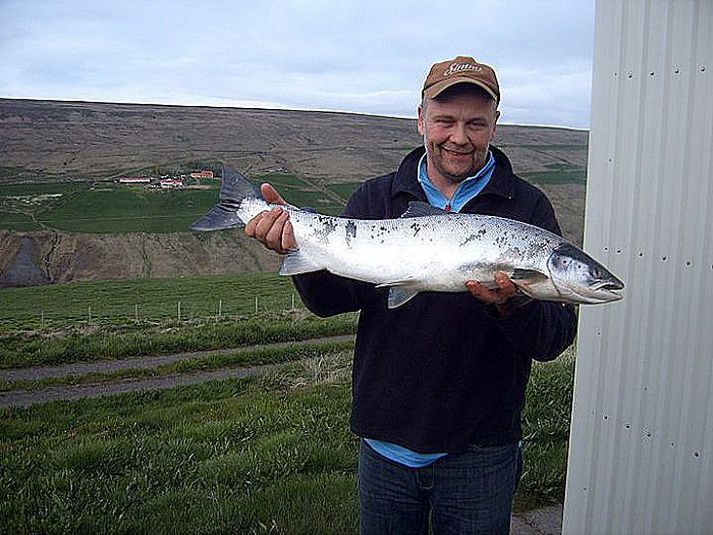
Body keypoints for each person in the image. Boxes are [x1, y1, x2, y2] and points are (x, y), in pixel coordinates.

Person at [245, 55, 577, 534]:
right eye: (445, 120)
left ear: (495, 125)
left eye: (475, 124)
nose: (459, 137)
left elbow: (551, 341)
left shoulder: (527, 209)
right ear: (420, 118)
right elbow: (329, 300)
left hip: (482, 451)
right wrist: (296, 247)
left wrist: (513, 304)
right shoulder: (377, 198)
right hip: (385, 444)